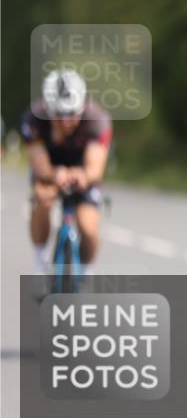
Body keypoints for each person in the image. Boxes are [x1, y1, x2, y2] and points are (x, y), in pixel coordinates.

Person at [21, 69, 112, 275]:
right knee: (42, 199)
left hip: (82, 164)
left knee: (88, 226)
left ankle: (87, 272)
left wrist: (82, 176)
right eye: (58, 115)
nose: (64, 122)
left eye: (71, 114)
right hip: (50, 164)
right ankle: (39, 261)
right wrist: (54, 175)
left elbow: (94, 169)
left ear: (81, 107)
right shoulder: (33, 118)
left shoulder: (97, 120)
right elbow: (40, 165)